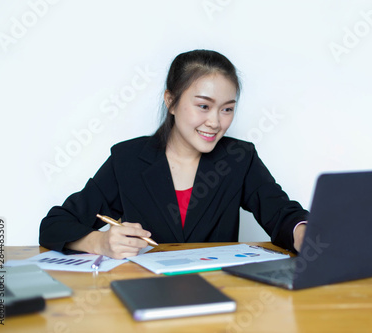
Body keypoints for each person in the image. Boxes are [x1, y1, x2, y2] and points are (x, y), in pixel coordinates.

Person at [39, 49, 308, 259]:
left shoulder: (240, 157)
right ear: (171, 101)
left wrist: (303, 232)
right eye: (204, 106)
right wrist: (99, 242)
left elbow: (281, 212)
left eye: (227, 109)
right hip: (145, 297)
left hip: (218, 299)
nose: (216, 122)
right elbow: (54, 225)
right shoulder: (128, 159)